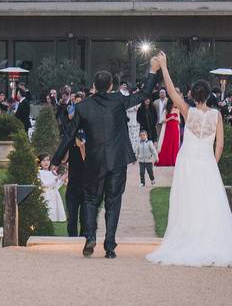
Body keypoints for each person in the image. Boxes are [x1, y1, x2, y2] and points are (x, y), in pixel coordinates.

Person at [52, 56, 159, 259]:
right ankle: (109, 246)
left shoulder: (83, 106)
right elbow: (145, 93)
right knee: (113, 201)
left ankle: (90, 237)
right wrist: (153, 71)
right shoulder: (118, 100)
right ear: (111, 85)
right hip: (117, 160)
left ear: (94, 86)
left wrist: (56, 161)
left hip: (93, 161)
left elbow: (69, 135)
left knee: (91, 200)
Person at [146, 52, 232, 267]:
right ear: (209, 94)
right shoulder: (217, 115)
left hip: (188, 161)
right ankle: (209, 240)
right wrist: (213, 161)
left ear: (192, 94)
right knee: (209, 201)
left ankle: (189, 238)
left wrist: (164, 66)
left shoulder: (187, 111)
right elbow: (219, 144)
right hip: (206, 160)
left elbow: (171, 91)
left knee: (187, 200)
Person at [38, 154, 67, 222]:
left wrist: (62, 178)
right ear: (39, 163)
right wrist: (55, 181)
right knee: (48, 212)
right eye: (43, 160)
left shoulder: (53, 172)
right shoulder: (39, 173)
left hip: (54, 195)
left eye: (48, 160)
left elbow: (56, 186)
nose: (46, 162)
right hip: (46, 195)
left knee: (54, 211)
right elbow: (42, 184)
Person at [156, 100, 181, 167]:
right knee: (167, 143)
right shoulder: (166, 110)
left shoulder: (177, 110)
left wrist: (176, 119)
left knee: (175, 143)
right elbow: (162, 120)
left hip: (175, 128)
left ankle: (174, 160)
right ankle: (166, 160)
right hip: (168, 129)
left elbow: (179, 121)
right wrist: (170, 118)